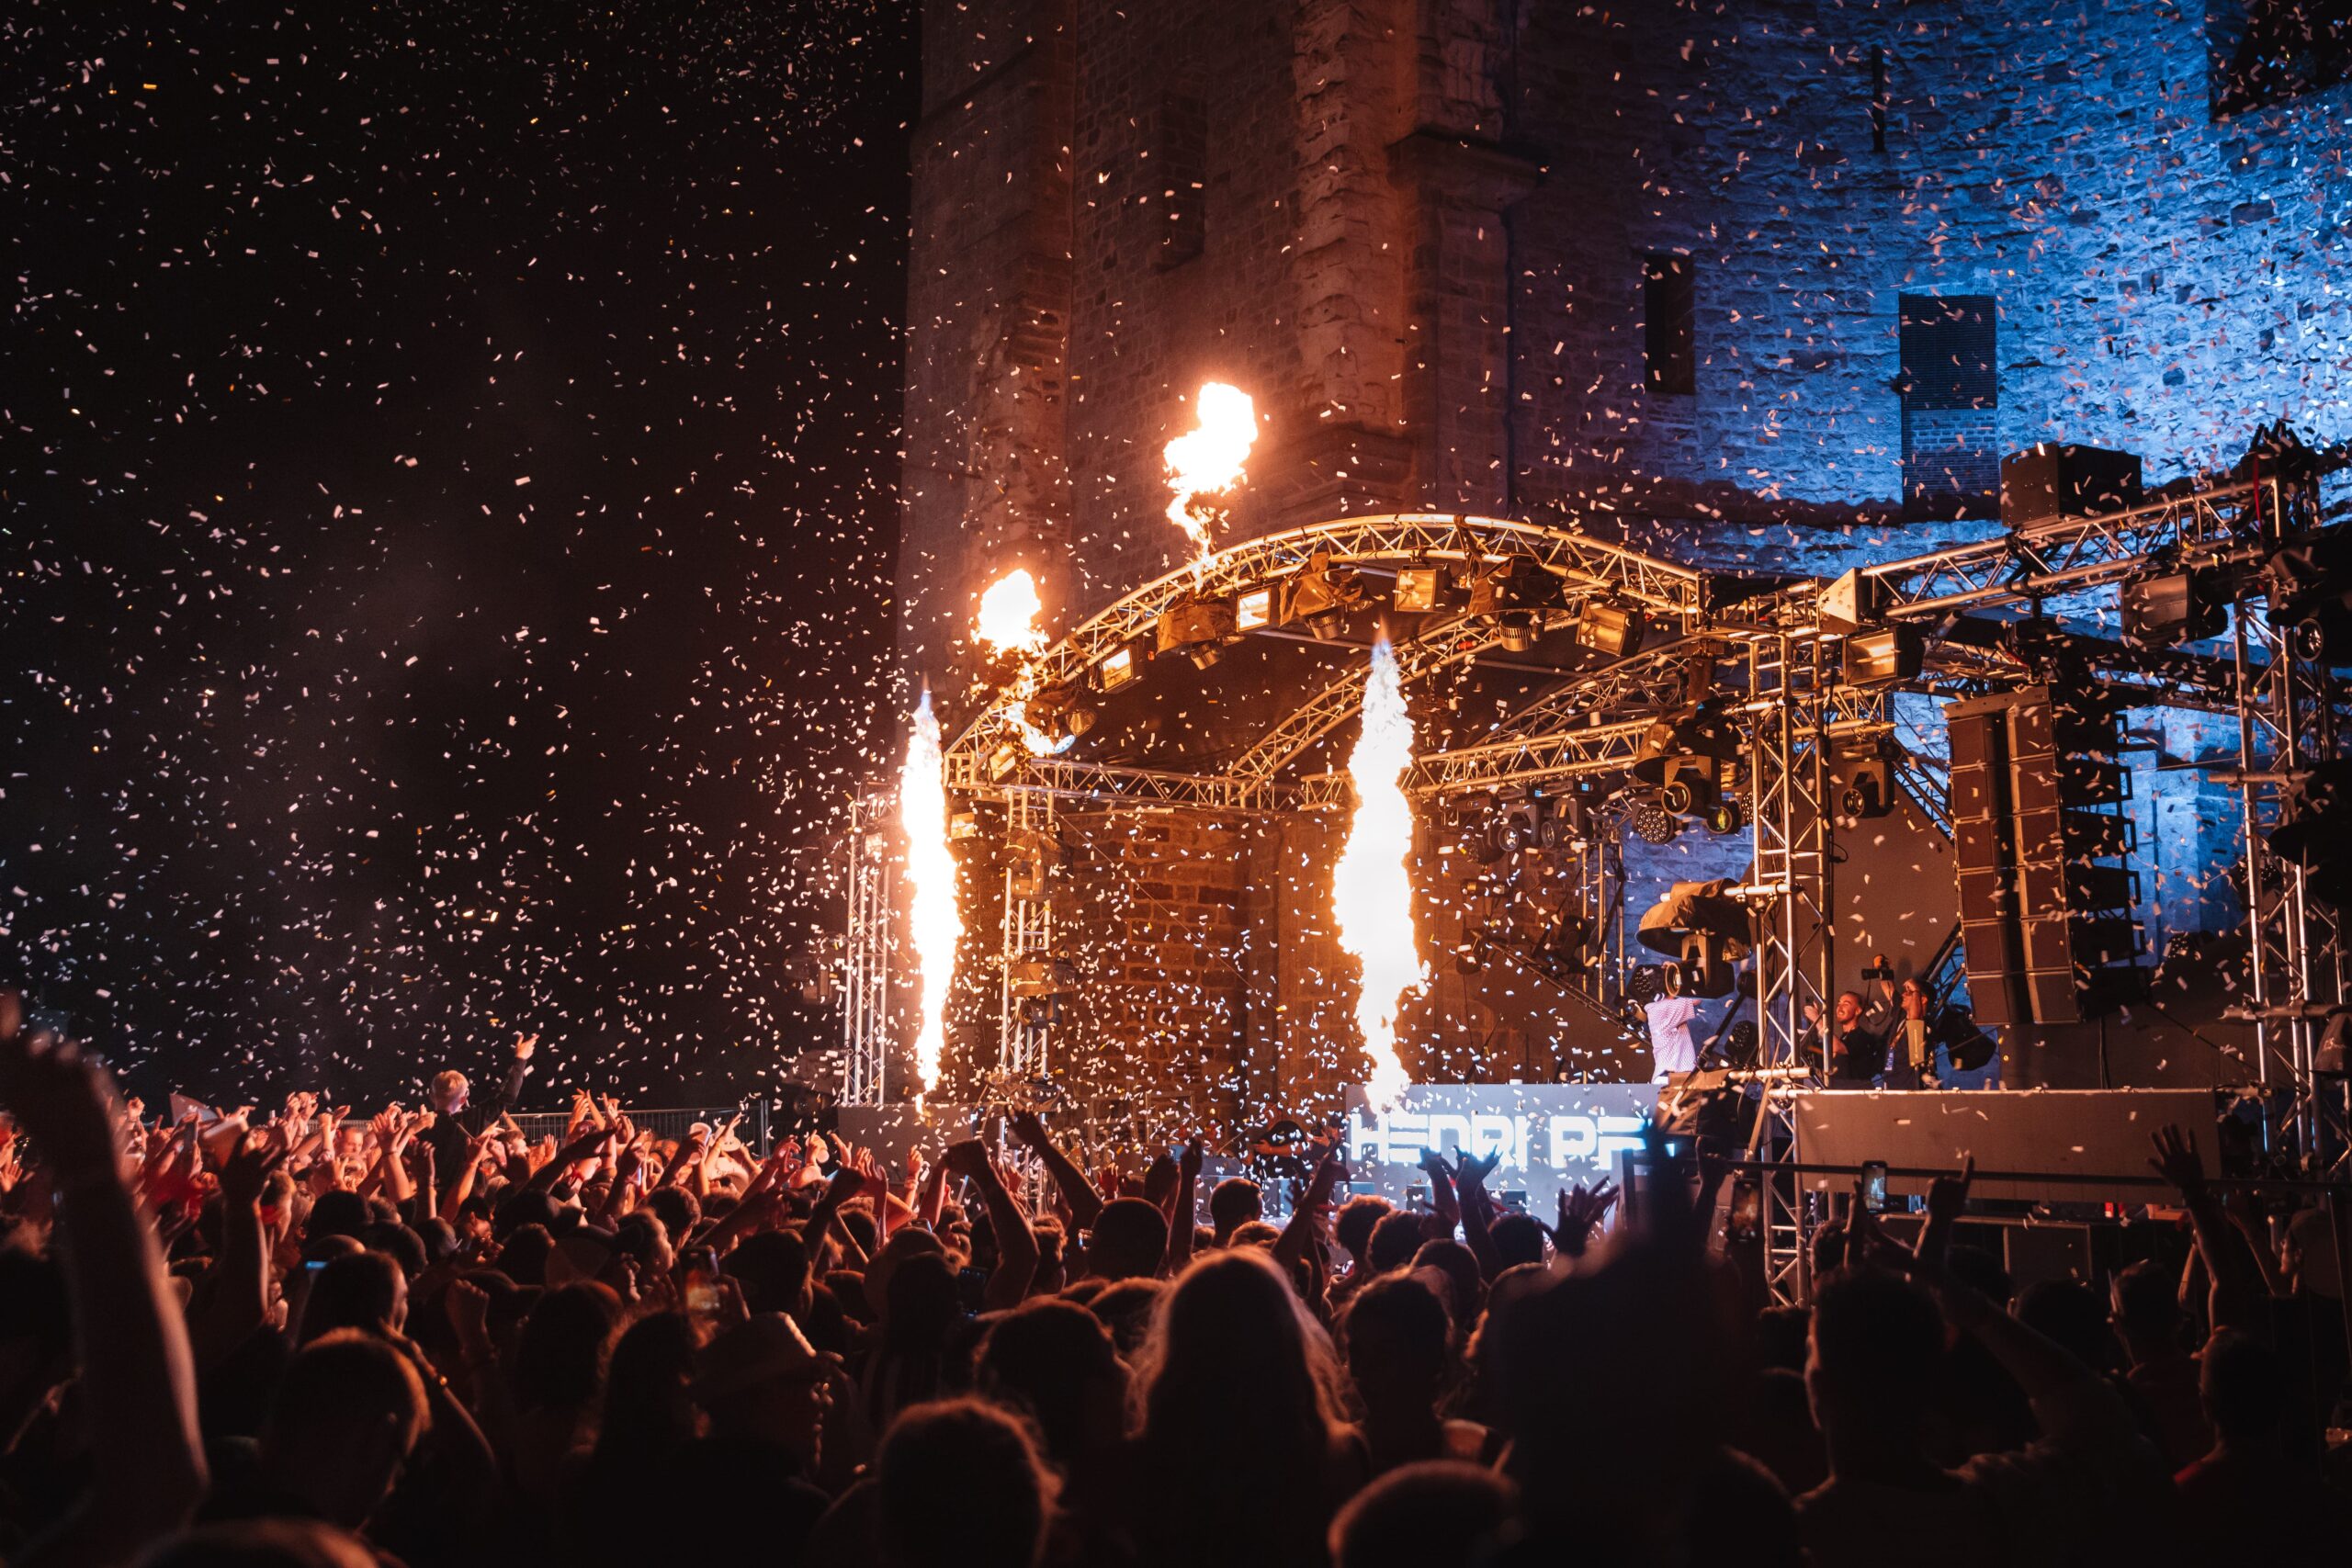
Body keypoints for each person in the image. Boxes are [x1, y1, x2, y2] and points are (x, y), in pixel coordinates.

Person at [419, 1032, 536, 1201]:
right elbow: (505, 1097)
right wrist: (520, 1059)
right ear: (464, 1098)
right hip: (465, 1197)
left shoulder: (419, 1127)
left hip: (427, 1197)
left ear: (432, 1096)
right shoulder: (468, 1120)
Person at [1642, 990, 1702, 1082]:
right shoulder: (1665, 1007)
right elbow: (1698, 999)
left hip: (1671, 1076)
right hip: (1672, 1076)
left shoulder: (1655, 1009)